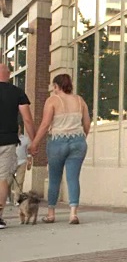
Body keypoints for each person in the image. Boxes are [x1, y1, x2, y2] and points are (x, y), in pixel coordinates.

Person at [29, 74, 91, 225]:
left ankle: (51, 214)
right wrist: (81, 137)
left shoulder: (52, 101)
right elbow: (87, 123)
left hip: (57, 142)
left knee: (54, 178)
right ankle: (73, 213)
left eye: (53, 86)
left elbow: (45, 125)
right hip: (78, 141)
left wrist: (35, 143)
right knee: (73, 178)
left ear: (56, 86)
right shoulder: (80, 100)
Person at [0, 63, 35, 229]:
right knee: (2, 180)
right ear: (9, 74)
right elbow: (27, 119)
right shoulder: (17, 92)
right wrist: (33, 142)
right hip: (7, 142)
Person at [11, 121, 32, 204]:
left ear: (20, 129)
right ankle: (7, 197)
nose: (17, 130)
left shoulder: (25, 139)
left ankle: (17, 200)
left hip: (22, 162)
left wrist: (29, 162)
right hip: (11, 162)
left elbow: (28, 152)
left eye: (19, 128)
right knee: (8, 181)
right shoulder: (9, 139)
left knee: (19, 181)